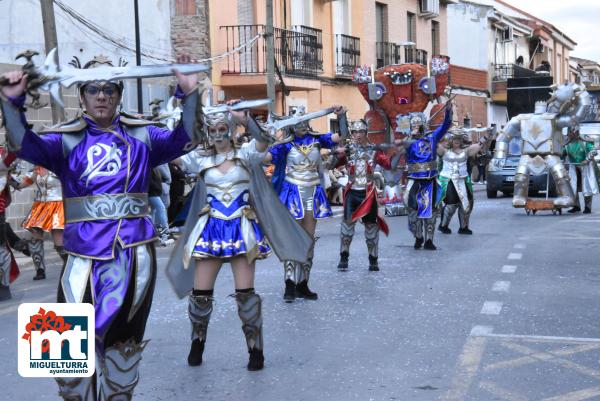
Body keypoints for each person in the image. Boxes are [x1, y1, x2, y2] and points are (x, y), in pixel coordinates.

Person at [0, 54, 201, 400]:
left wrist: (190, 93)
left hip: (134, 257)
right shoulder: (64, 141)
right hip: (79, 256)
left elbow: (187, 139)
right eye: (94, 89)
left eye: (110, 89)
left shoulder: (144, 136)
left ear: (119, 94)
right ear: (82, 95)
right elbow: (21, 144)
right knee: (65, 355)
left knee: (123, 353)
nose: (102, 95)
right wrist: (11, 100)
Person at [165, 103, 312, 371]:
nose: (218, 133)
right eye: (213, 129)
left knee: (246, 294)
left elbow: (264, 141)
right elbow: (168, 152)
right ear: (207, 132)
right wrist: (179, 121)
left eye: (223, 128)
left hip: (241, 230)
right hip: (211, 229)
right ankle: (197, 343)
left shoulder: (246, 155)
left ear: (231, 130)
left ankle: (255, 350)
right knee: (200, 295)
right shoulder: (200, 159)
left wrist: (246, 119)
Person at [264, 105, 344, 302]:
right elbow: (264, 158)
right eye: (297, 122)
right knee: (292, 239)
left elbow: (340, 136)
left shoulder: (317, 140)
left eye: (304, 120)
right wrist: (264, 138)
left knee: (308, 241)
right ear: (290, 125)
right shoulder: (284, 145)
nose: (302, 125)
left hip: (313, 192)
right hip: (292, 192)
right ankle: (289, 284)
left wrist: (341, 115)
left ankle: (303, 284)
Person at [491, 84, 591, 209]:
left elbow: (503, 136)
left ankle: (568, 197)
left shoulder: (553, 119)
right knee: (521, 174)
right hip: (529, 154)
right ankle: (519, 196)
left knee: (559, 174)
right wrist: (499, 155)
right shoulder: (524, 118)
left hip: (549, 154)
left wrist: (581, 94)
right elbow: (504, 136)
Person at [333, 119, 393, 272]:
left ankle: (373, 259)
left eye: (361, 132)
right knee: (346, 228)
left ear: (366, 133)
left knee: (371, 228)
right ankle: (344, 257)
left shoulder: (374, 150)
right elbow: (332, 165)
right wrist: (337, 153)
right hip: (352, 192)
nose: (358, 135)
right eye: (355, 132)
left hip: (368, 194)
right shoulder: (348, 150)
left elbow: (388, 164)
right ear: (352, 134)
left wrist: (397, 152)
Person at [399, 104, 452, 250]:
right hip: (414, 180)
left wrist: (448, 111)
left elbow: (446, 125)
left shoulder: (432, 137)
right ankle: (418, 236)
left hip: (430, 180)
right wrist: (412, 135)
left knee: (431, 212)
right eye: (413, 124)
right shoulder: (408, 139)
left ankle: (429, 240)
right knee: (412, 211)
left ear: (423, 124)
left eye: (418, 123)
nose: (416, 126)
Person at [16, 165, 67, 279]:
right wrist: (11, 181)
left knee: (58, 237)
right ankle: (40, 270)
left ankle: (68, 266)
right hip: (40, 205)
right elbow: (26, 182)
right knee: (35, 237)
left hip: (57, 205)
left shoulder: (58, 164)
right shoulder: (37, 168)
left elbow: (69, 183)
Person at [438, 129, 484, 235]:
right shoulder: (444, 151)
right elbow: (434, 145)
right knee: (452, 203)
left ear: (462, 140)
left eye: (459, 138)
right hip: (448, 179)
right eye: (454, 138)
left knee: (467, 203)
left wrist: (486, 137)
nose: (457, 140)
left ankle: (464, 227)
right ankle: (443, 225)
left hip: (463, 179)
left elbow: (479, 145)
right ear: (450, 140)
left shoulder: (466, 151)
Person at [0, 148, 30, 300]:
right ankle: (18, 243)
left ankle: (3, 287)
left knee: (0, 249)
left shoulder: (2, 155)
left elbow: (12, 154)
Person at [563, 126, 599, 213]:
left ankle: (587, 207)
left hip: (586, 167)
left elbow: (594, 151)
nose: (568, 134)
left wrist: (587, 159)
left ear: (575, 132)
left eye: (570, 132)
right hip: (573, 167)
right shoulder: (567, 144)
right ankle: (576, 206)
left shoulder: (585, 142)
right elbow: (561, 154)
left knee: (587, 186)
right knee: (572, 186)